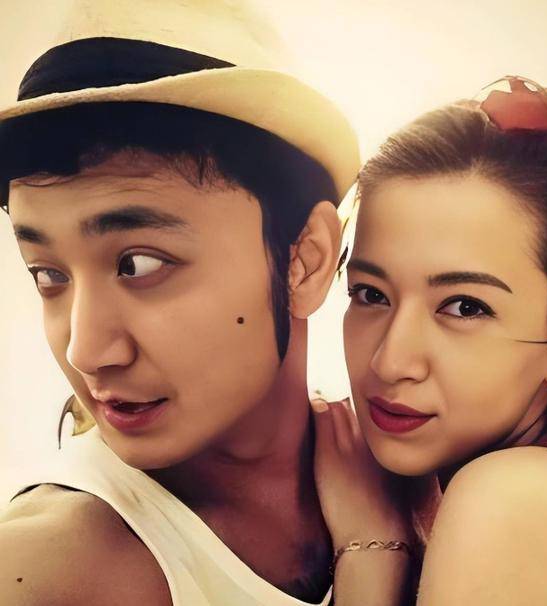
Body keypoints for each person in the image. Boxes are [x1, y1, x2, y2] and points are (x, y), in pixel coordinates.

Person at [0, 1, 360, 605]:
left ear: (305, 260)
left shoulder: (418, 468)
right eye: (48, 274)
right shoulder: (46, 569)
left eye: (138, 264)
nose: (86, 351)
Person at [312, 77, 547, 605]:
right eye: (371, 294)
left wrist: (371, 547)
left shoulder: (515, 498)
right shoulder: (541, 486)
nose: (390, 361)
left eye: (465, 307)